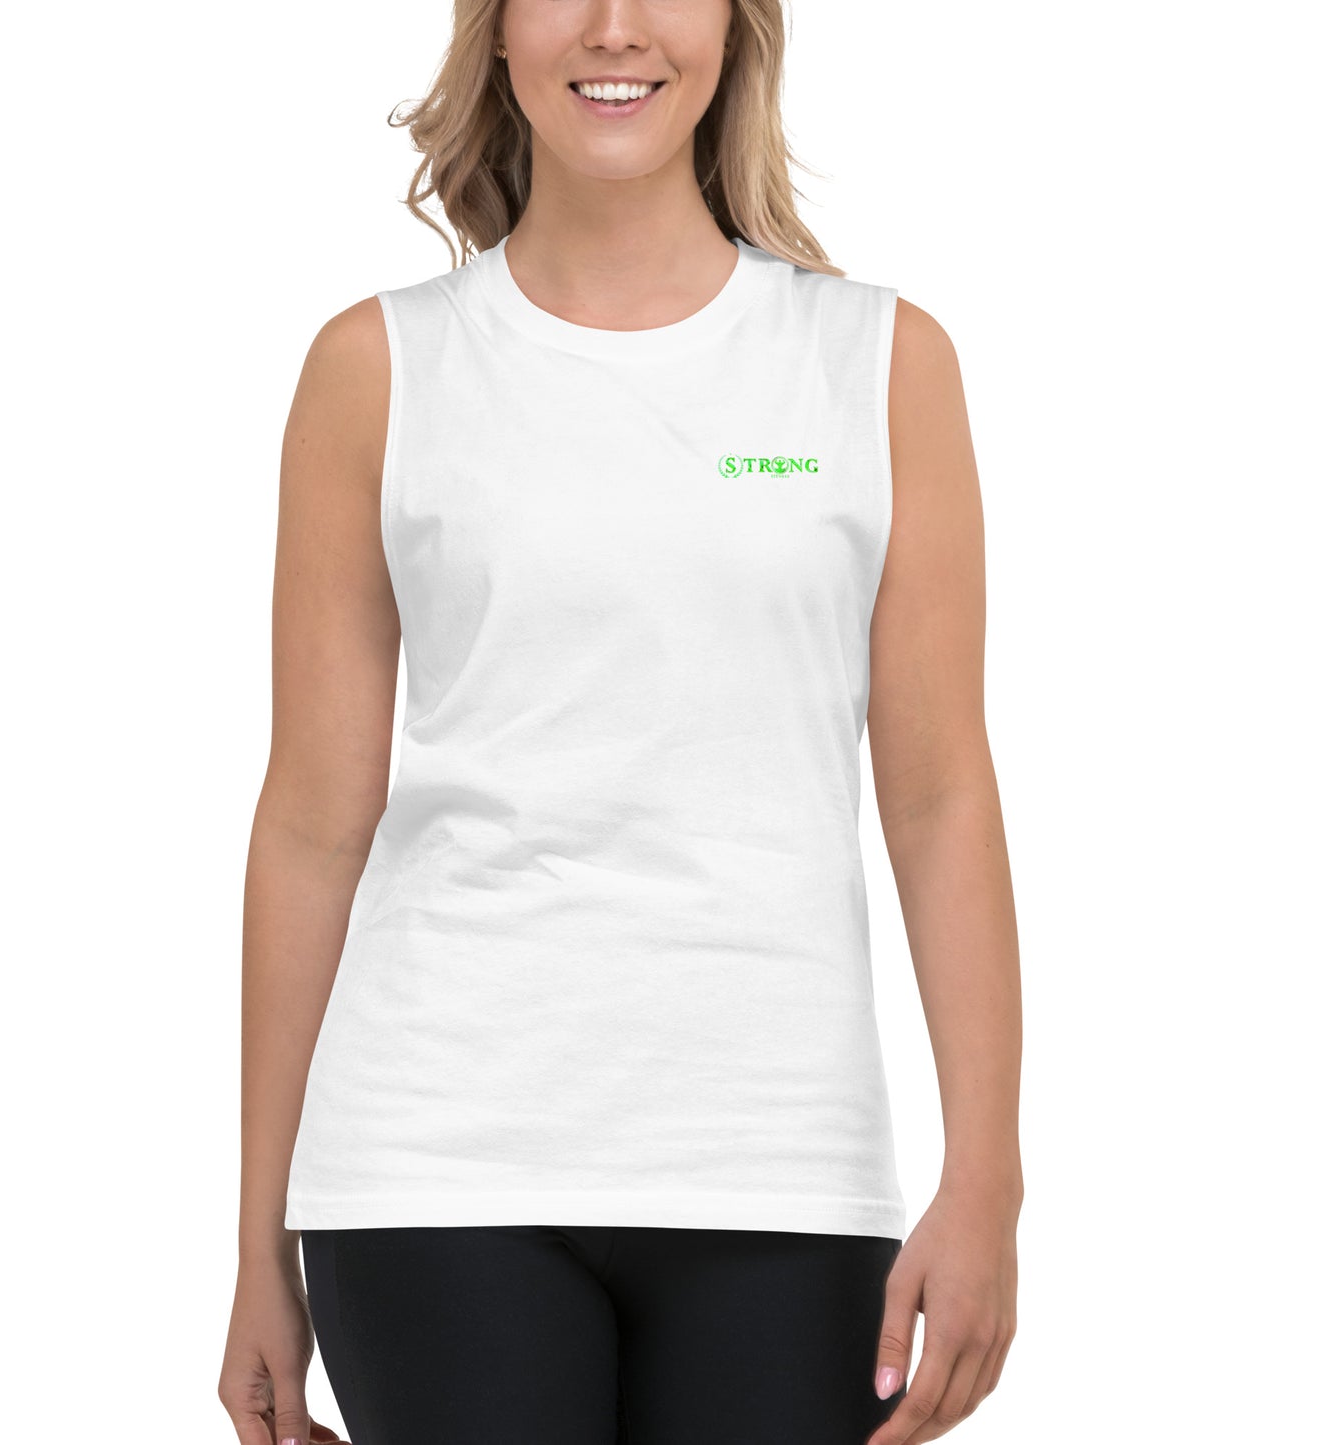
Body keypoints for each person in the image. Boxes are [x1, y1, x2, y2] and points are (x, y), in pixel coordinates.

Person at [218, 1, 1023, 1442]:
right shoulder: (377, 367)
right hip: (432, 1167)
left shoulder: (878, 364)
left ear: (734, 25)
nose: (613, 28)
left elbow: (939, 796)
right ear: (496, 31)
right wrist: (257, 1247)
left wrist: (988, 1180)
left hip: (780, 1165)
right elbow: (310, 825)